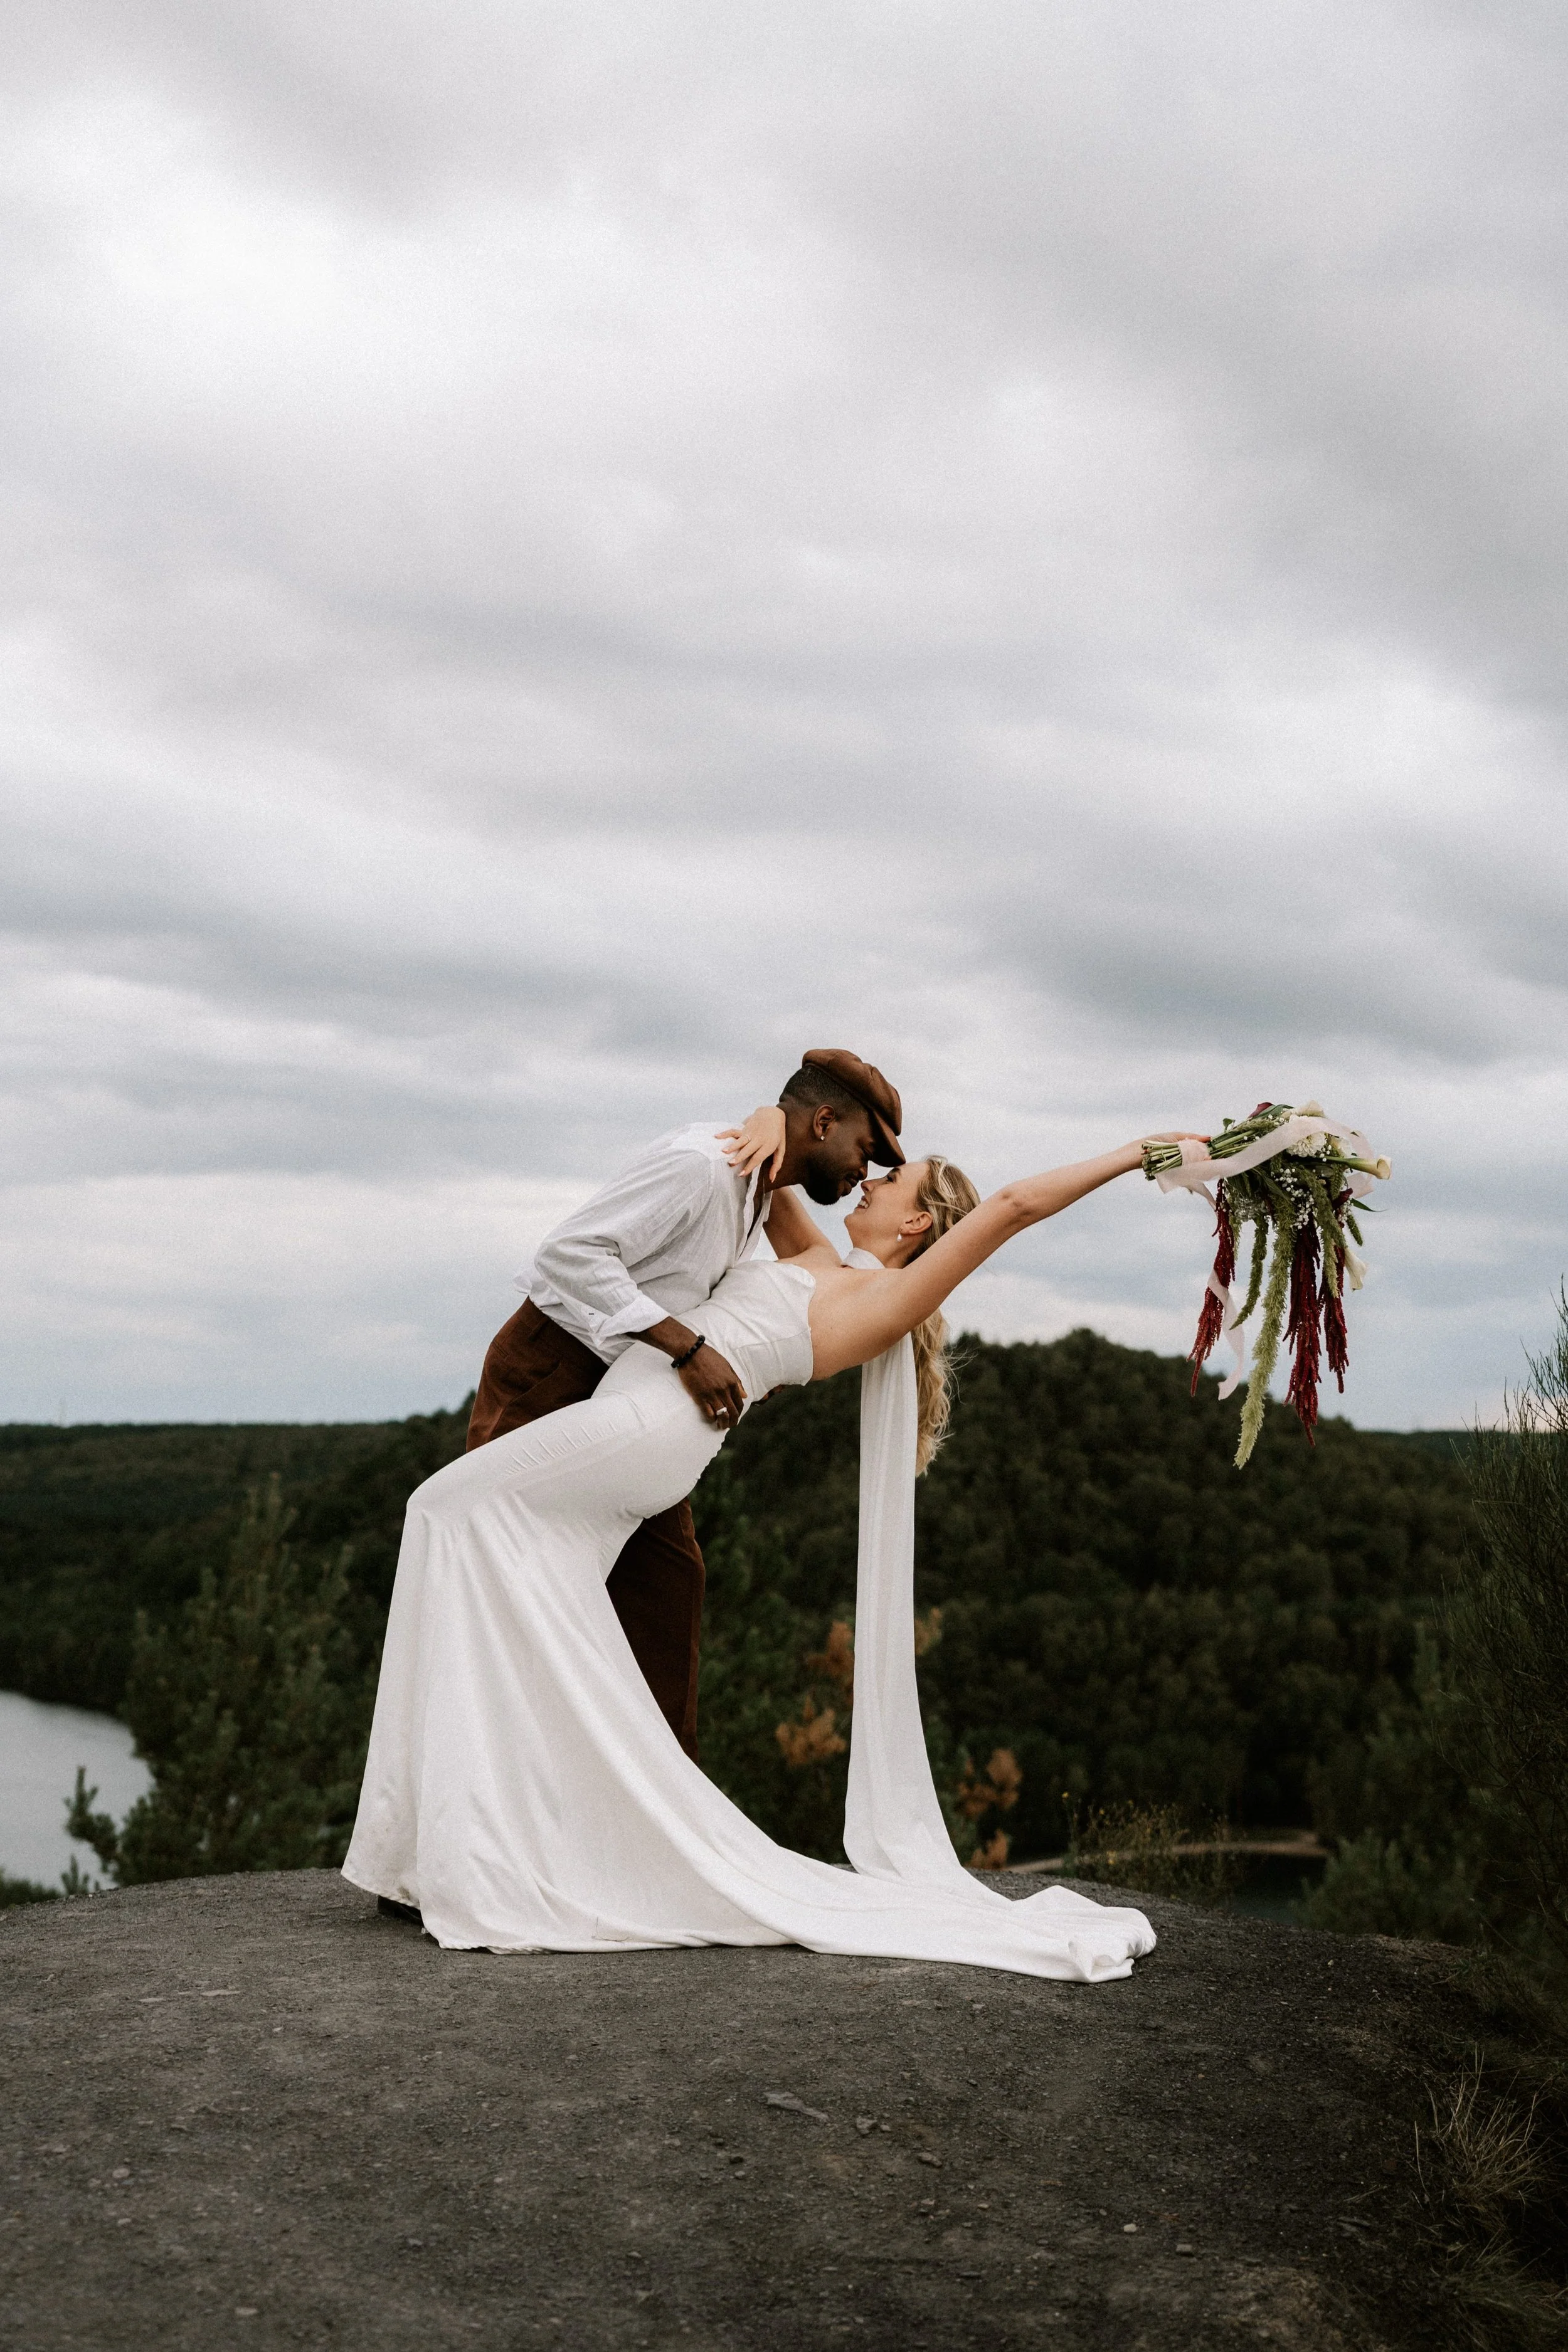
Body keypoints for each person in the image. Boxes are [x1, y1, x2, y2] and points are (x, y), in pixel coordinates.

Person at [344, 1113, 1204, 1981]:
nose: (870, 1178)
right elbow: (782, 1166)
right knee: (511, 1575)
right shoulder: (819, 1262)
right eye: (873, 1163)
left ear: (915, 1225)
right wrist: (764, 1116)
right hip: (632, 1417)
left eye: (891, 1181)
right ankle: (452, 1846)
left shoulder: (880, 1299)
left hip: (652, 1427)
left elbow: (1015, 1203)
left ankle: (463, 1851)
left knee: (447, 1511)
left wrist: (1146, 1151)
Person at [462, 1049, 904, 1758]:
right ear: (824, 1121)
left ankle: (662, 1802)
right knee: (508, 1584)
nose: (867, 1171)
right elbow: (568, 1255)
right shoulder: (705, 1167)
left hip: (627, 1398)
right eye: (865, 1148)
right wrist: (687, 1349)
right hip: (551, 1370)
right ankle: (494, 1794)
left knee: (668, 1585)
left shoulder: (757, 1187)